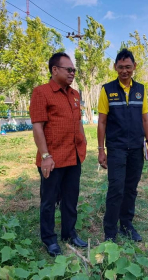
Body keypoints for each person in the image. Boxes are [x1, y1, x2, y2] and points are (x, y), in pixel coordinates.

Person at [30, 52, 88, 257]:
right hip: (52, 159)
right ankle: (49, 239)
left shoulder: (74, 94)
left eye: (74, 70)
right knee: (49, 200)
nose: (73, 73)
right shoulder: (42, 92)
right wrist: (45, 156)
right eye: (69, 69)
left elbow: (78, 122)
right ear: (55, 70)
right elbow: (38, 127)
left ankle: (69, 233)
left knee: (71, 199)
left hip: (73, 157)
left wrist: (83, 143)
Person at [97, 48, 148, 242]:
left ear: (134, 67)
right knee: (116, 189)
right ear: (115, 67)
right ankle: (110, 232)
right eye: (120, 67)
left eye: (128, 67)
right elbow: (102, 121)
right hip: (116, 149)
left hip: (136, 149)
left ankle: (126, 225)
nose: (124, 71)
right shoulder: (107, 90)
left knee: (131, 189)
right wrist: (101, 150)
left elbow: (145, 119)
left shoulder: (141, 90)